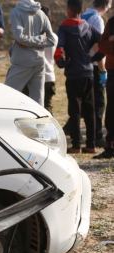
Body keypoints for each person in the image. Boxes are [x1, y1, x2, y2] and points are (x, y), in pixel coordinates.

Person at [55, 0, 102, 154]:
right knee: (90, 109)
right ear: (80, 11)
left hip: (73, 73)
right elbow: (103, 41)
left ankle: (76, 145)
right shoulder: (88, 26)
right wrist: (94, 58)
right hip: (88, 73)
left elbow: (59, 47)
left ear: (69, 10)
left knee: (74, 110)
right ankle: (91, 144)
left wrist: (61, 63)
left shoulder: (64, 28)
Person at [5, 0, 57, 106]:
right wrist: (37, 41)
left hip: (22, 61)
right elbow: (51, 40)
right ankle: (39, 123)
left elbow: (19, 38)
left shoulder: (16, 12)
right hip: (39, 61)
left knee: (6, 96)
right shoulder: (41, 13)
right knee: (38, 102)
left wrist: (27, 42)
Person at [82, 0, 111, 147]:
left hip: (82, 63)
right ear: (106, 4)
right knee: (99, 102)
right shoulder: (97, 19)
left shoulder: (83, 14)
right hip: (94, 64)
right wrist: (102, 68)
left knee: (86, 101)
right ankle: (98, 135)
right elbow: (99, 45)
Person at [95, 13, 114, 158]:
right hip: (113, 71)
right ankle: (110, 145)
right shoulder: (111, 22)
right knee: (112, 109)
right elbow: (102, 45)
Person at [42, 6, 58, 113]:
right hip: (50, 76)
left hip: (38, 76)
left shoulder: (36, 37)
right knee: (47, 106)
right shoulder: (55, 37)